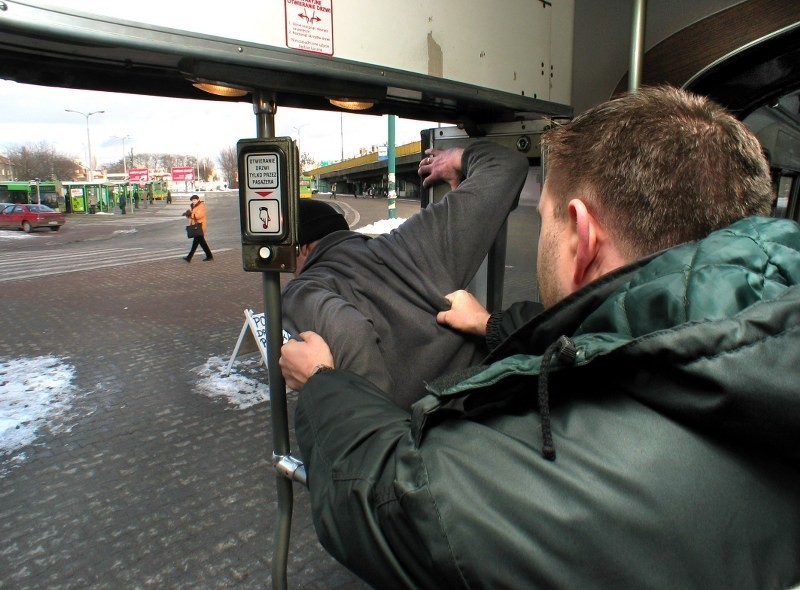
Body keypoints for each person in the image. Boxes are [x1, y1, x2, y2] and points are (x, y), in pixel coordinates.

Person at [279, 86, 800, 589]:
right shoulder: (773, 330)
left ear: (583, 237)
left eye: (547, 217)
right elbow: (506, 173)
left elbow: (383, 503)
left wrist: (323, 382)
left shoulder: (506, 485)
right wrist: (489, 322)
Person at [282, 140, 529, 411]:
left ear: (302, 248)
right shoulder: (409, 242)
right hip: (498, 402)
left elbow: (351, 332)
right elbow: (507, 166)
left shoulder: (303, 290)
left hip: (428, 441)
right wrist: (456, 158)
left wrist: (376, 431)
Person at [182, 194, 213, 262]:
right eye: (192, 200)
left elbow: (199, 216)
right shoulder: (193, 206)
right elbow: (192, 216)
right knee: (199, 242)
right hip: (195, 227)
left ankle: (189, 257)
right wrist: (187, 214)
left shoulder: (201, 206)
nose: (193, 201)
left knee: (199, 242)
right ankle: (208, 256)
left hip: (200, 226)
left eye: (195, 200)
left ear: (198, 199)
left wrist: (190, 214)